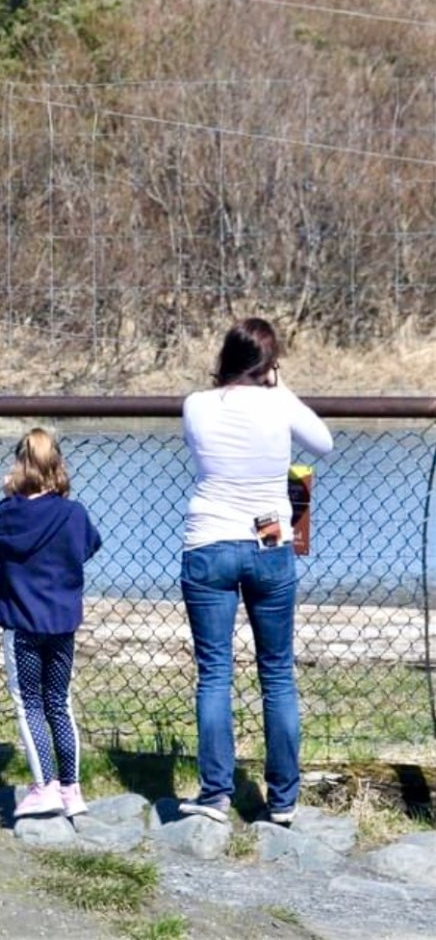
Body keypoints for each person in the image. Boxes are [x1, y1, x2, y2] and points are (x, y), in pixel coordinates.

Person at [179, 317, 333, 827]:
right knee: (277, 673)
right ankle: (283, 799)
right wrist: (280, 387)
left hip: (209, 543)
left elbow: (201, 452)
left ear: (226, 356)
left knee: (214, 673)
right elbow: (324, 443)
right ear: (268, 364)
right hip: (270, 547)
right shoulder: (279, 404)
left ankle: (215, 795)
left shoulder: (196, 405)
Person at [0, 428, 101, 820]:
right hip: (62, 625)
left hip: (22, 627)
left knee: (29, 702)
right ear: (58, 466)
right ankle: (71, 789)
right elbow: (89, 546)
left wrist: (9, 497)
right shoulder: (74, 514)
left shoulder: (8, 515)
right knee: (59, 703)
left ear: (19, 467)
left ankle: (44, 786)